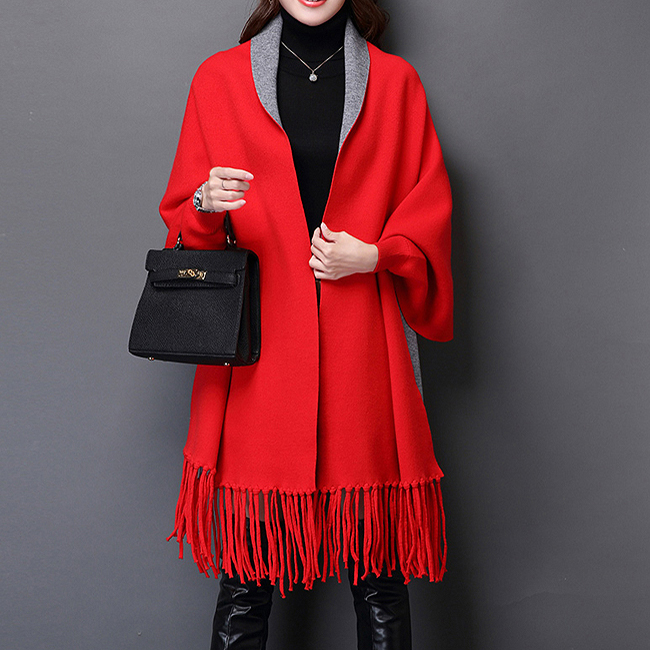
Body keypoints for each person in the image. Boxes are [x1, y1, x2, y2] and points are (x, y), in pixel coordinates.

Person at [158, 0, 453, 648]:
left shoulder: (396, 83)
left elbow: (428, 208)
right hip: (258, 354)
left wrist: (374, 255)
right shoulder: (219, 79)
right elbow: (187, 226)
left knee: (379, 574)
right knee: (246, 579)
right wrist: (205, 203)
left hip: (364, 349)